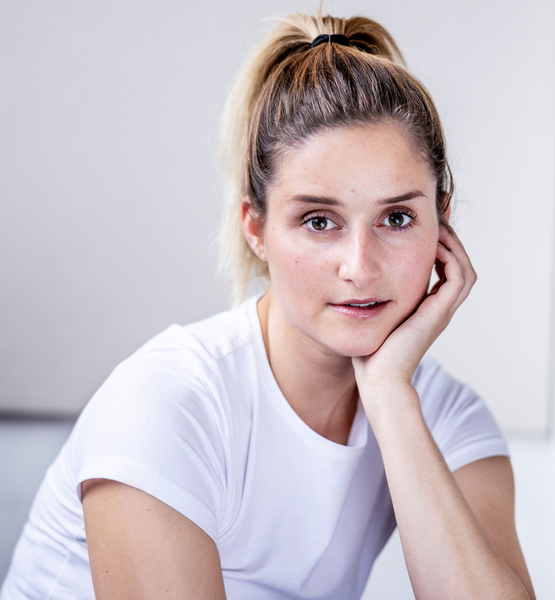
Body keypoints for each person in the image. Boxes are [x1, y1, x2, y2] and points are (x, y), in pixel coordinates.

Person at [1, 11, 535, 600]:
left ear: (442, 224)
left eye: (397, 218)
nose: (360, 267)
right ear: (255, 227)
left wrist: (387, 393)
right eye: (319, 221)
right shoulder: (168, 404)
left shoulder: (446, 417)